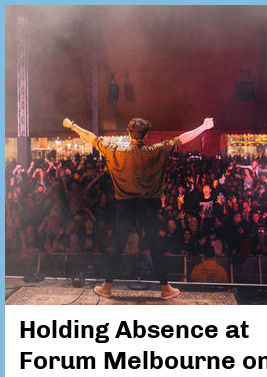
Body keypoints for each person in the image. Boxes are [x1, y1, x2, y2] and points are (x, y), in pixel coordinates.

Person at [63, 116, 214, 299]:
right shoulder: (154, 150)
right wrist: (204, 126)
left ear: (128, 133)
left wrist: (73, 125)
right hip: (147, 207)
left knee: (118, 247)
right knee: (155, 246)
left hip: (125, 207)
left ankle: (107, 287)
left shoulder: (116, 150)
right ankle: (165, 288)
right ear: (146, 135)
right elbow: (182, 138)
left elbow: (91, 137)